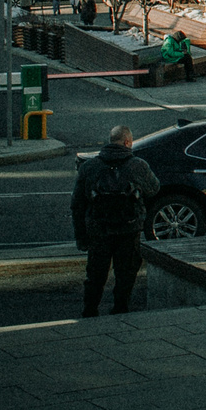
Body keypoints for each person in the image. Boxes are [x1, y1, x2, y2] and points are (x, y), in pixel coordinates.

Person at [71, 126, 160, 316]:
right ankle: (120, 308)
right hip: (128, 230)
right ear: (128, 142)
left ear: (111, 141)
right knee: (126, 274)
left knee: (95, 275)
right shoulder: (138, 165)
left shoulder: (90, 167)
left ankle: (90, 309)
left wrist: (81, 236)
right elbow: (154, 189)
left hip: (99, 229)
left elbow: (77, 205)